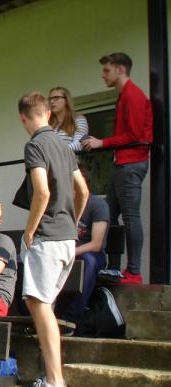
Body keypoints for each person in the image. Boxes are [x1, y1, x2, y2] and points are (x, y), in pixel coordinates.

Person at [12, 92, 88, 387]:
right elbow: (82, 190)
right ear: (46, 112)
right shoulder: (62, 144)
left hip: (47, 240)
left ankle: (55, 383)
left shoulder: (36, 145)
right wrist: (71, 223)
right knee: (46, 306)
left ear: (23, 118)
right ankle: (50, 380)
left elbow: (41, 192)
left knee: (39, 305)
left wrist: (29, 231)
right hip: (67, 239)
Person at [82, 52, 153, 284]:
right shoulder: (124, 95)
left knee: (130, 217)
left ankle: (133, 272)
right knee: (109, 215)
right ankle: (113, 267)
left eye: (107, 70)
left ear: (120, 69)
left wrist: (102, 142)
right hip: (122, 163)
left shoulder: (132, 95)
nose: (103, 75)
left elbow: (134, 135)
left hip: (131, 163)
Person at [56, 192, 109, 332]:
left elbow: (96, 245)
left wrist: (70, 253)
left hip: (91, 255)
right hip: (65, 252)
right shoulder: (62, 203)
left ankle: (71, 319)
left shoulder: (97, 205)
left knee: (87, 262)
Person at [48, 87, 89, 153]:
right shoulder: (47, 124)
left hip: (70, 162)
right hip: (50, 163)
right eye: (50, 99)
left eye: (56, 98)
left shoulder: (78, 119)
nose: (51, 101)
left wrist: (55, 152)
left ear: (66, 101)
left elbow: (79, 144)